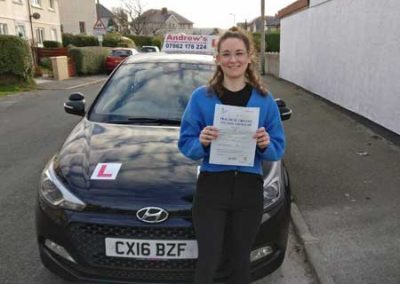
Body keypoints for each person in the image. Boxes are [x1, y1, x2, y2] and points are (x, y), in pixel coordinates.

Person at [178, 28, 286, 284]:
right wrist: (201, 142)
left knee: (240, 262)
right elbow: (185, 143)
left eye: (239, 53)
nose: (233, 59)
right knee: (209, 261)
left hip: (248, 190)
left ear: (249, 57)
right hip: (212, 188)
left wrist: (265, 144)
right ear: (218, 59)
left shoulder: (264, 99)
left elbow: (278, 147)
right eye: (226, 54)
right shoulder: (201, 98)